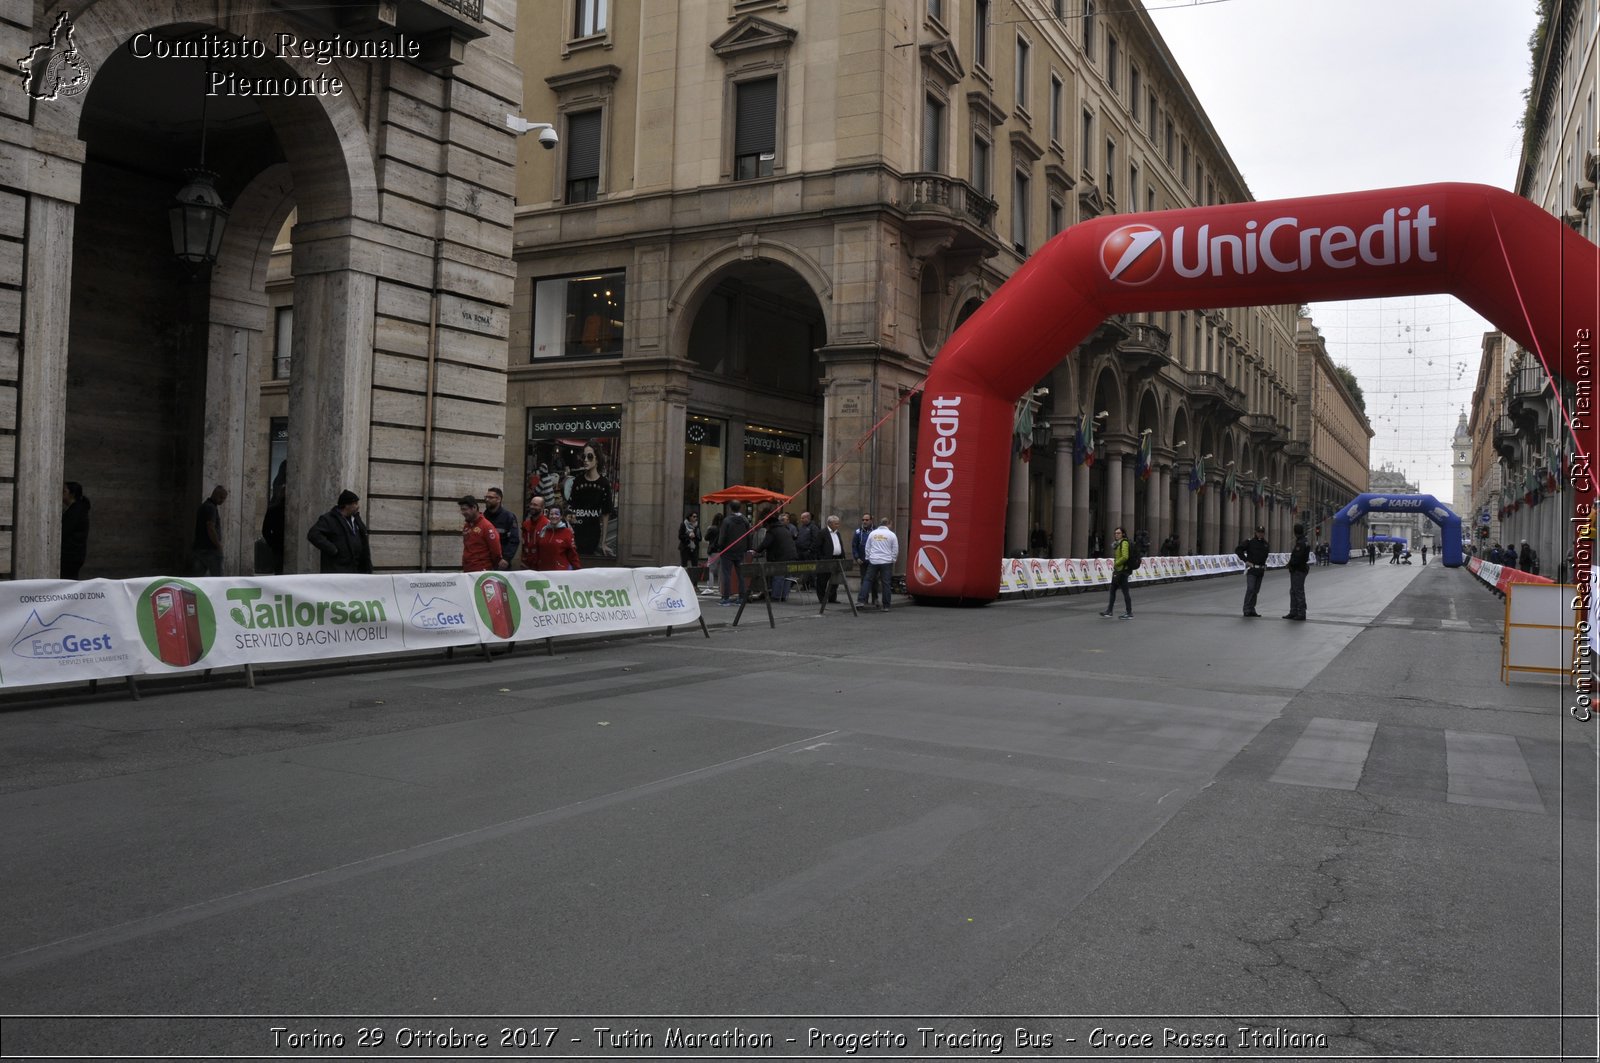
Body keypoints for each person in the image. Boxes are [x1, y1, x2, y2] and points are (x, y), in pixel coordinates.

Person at [306, 489, 374, 573]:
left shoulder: (356, 519)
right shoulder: (329, 519)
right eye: (355, 504)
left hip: (356, 570)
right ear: (346, 505)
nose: (358, 506)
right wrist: (333, 549)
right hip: (338, 570)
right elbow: (313, 534)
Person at [567, 440, 615, 558]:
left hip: (593, 534)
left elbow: (605, 514)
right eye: (584, 456)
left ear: (597, 459)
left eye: (589, 456)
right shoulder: (577, 481)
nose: (585, 460)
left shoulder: (604, 484)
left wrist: (603, 542)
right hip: (576, 532)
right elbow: (571, 508)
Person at [858, 517, 899, 610]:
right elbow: (895, 549)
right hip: (886, 561)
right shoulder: (892, 535)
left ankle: (861, 601)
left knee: (867, 580)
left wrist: (868, 557)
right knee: (886, 583)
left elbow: (867, 547)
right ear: (888, 524)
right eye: (891, 524)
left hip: (874, 561)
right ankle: (886, 605)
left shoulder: (873, 533)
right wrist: (893, 559)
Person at [716, 502, 751, 605]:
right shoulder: (745, 520)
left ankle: (726, 597)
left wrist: (720, 547)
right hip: (740, 550)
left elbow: (722, 537)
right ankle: (741, 597)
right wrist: (748, 548)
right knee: (741, 575)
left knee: (726, 574)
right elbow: (748, 536)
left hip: (727, 550)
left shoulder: (727, 521)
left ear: (730, 508)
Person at [759, 510, 798, 601]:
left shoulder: (772, 531)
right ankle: (783, 596)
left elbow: (765, 544)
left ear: (768, 524)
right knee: (787, 577)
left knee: (778, 576)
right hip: (791, 556)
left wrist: (756, 550)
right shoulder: (785, 529)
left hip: (780, 557)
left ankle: (776, 596)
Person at [192, 484, 229, 577]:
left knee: (198, 579)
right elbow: (210, 527)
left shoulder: (203, 506)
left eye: (224, 498)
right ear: (215, 494)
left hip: (199, 549)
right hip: (210, 550)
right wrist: (218, 545)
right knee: (218, 577)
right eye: (221, 497)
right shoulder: (211, 508)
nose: (222, 501)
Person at [458, 494, 501, 573]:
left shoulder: (487, 526)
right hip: (468, 569)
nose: (463, 513)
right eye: (462, 510)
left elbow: (496, 552)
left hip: (482, 571)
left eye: (465, 509)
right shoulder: (467, 525)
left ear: (474, 508)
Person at [531, 505, 581, 571]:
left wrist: (578, 569)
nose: (554, 516)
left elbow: (572, 553)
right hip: (543, 572)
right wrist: (534, 568)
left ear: (561, 516)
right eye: (551, 514)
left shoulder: (567, 532)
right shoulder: (543, 531)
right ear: (548, 516)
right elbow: (537, 551)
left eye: (556, 514)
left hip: (560, 572)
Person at [1098, 526, 1133, 619]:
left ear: (1123, 534)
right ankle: (1109, 611)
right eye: (1115, 533)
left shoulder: (1124, 543)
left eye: (1118, 533)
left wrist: (1116, 563)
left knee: (1125, 592)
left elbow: (1125, 556)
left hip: (1122, 571)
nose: (1116, 535)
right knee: (1113, 590)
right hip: (1118, 570)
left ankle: (1129, 612)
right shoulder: (1118, 544)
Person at [483, 487, 519, 570]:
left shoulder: (508, 517)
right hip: (485, 561)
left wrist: (506, 559)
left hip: (501, 563)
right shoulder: (483, 517)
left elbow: (514, 540)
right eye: (486, 497)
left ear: (499, 499)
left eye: (490, 497)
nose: (487, 500)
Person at [1237, 524, 1269, 617]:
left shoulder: (1265, 544)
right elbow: (1238, 550)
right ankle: (1246, 609)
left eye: (1262, 532)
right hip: (1252, 569)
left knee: (1256, 590)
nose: (1260, 534)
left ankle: (1252, 609)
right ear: (1255, 532)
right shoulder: (1250, 542)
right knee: (1250, 589)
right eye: (1259, 532)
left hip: (1260, 570)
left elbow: (1265, 555)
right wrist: (1245, 560)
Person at [60, 481, 90, 579]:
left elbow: (64, 531)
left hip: (71, 556)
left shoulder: (76, 511)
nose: (61, 494)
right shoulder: (76, 509)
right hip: (73, 556)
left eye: (64, 491)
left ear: (72, 494)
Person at [815, 514, 847, 604]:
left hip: (837, 559)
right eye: (836, 524)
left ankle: (832, 597)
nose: (838, 525)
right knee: (823, 580)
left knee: (835, 580)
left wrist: (843, 555)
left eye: (838, 523)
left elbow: (840, 545)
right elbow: (817, 547)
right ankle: (822, 598)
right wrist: (821, 558)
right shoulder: (822, 533)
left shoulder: (837, 533)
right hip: (826, 559)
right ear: (829, 523)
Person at [1283, 523, 1311, 621]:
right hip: (1300, 568)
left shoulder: (1301, 543)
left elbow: (1297, 557)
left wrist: (1290, 564)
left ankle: (1300, 612)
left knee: (1298, 591)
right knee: (1293, 591)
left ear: (1295, 532)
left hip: (1298, 569)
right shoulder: (1304, 541)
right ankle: (1293, 611)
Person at [260, 482, 286, 575]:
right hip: (278, 546)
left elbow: (265, 530)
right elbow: (265, 530)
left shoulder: (273, 509)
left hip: (277, 545)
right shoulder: (274, 509)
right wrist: (273, 544)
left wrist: (273, 544)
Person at [520, 494, 548, 569]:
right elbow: (524, 544)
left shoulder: (547, 525)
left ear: (542, 507)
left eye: (535, 505)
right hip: (527, 564)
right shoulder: (526, 524)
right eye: (531, 504)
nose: (532, 507)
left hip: (541, 566)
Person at [851, 513, 874, 583]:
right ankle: (864, 594)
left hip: (874, 560)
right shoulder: (858, 532)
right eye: (863, 520)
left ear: (871, 521)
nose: (864, 521)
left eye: (867, 520)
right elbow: (854, 546)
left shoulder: (876, 531)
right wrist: (857, 557)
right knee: (863, 579)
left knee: (874, 580)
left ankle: (874, 594)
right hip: (862, 560)